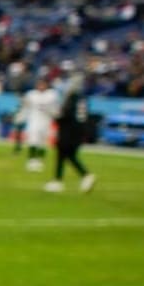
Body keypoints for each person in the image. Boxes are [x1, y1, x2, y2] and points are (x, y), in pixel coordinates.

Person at [46, 65, 97, 193]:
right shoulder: (83, 97)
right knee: (67, 155)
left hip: (68, 131)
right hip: (78, 131)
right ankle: (73, 178)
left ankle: (63, 180)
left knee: (64, 154)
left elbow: (65, 115)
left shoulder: (72, 97)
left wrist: (54, 115)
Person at [15, 74, 59, 171]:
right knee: (33, 140)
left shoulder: (52, 95)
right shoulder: (31, 94)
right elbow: (25, 106)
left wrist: (55, 116)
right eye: (39, 84)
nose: (41, 86)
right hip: (34, 121)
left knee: (42, 142)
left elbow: (55, 109)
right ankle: (31, 160)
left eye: (43, 84)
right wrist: (20, 117)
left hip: (46, 121)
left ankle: (39, 160)